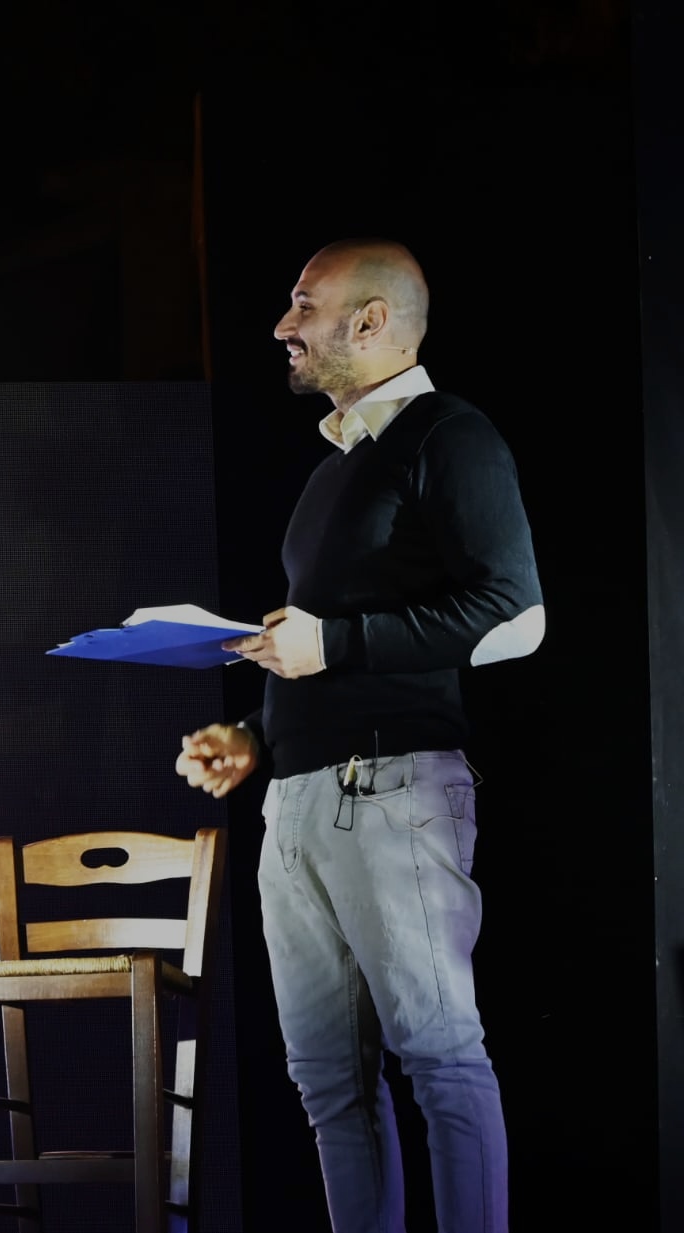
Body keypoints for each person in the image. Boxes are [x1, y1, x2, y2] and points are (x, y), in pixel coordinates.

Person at [175, 240, 542, 1233]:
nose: (281, 325)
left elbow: (516, 613)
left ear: (370, 320)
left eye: (304, 304)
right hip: (297, 798)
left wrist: (331, 643)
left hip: (390, 789)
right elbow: (330, 643)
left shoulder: (447, 435)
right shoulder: (335, 469)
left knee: (440, 1056)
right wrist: (254, 734)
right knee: (327, 1080)